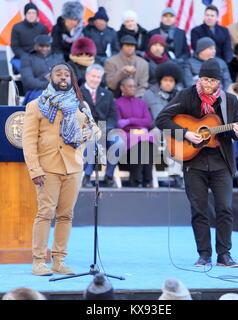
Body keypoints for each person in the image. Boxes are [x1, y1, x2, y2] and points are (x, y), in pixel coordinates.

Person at [156, 59, 238, 267]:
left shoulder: (229, 101)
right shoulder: (187, 95)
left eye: (212, 80)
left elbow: (235, 131)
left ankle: (224, 254)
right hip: (193, 161)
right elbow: (161, 119)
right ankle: (204, 254)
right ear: (199, 78)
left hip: (221, 161)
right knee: (199, 209)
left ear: (218, 82)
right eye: (205, 79)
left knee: (225, 208)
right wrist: (186, 133)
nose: (207, 84)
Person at [22, 62, 101, 276]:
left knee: (66, 215)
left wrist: (90, 133)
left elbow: (95, 129)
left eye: (67, 74)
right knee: (45, 213)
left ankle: (59, 261)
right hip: (47, 168)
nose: (63, 77)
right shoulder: (36, 106)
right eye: (59, 74)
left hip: (73, 167)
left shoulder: (80, 104)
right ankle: (39, 262)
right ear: (51, 78)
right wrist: (34, 169)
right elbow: (28, 142)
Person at [80, 64, 125, 188]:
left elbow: (113, 116)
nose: (95, 79)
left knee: (119, 142)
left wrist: (106, 128)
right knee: (91, 140)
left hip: (105, 129)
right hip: (85, 130)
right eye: (93, 76)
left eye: (98, 77)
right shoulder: (78, 93)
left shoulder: (107, 94)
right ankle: (87, 176)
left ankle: (109, 176)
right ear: (87, 76)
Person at [143, 61, 184, 188]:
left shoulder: (180, 96)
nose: (168, 83)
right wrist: (151, 125)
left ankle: (176, 175)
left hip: (173, 128)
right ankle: (148, 175)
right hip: (155, 127)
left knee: (176, 136)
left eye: (171, 81)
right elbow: (144, 114)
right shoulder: (149, 94)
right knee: (153, 135)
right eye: (165, 80)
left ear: (175, 83)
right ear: (160, 80)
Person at [116, 77, 156, 188]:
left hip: (141, 134)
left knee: (148, 141)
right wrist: (136, 125)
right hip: (126, 136)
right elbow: (119, 123)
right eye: (130, 86)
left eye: (134, 86)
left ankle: (148, 179)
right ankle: (136, 179)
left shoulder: (142, 103)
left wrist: (129, 120)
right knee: (139, 143)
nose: (133, 88)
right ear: (122, 88)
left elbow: (148, 121)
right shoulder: (117, 103)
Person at [20, 35, 64, 105]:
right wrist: (49, 84)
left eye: (47, 46)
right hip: (36, 92)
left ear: (50, 46)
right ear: (35, 46)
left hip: (58, 92)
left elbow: (65, 77)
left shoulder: (57, 57)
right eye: (41, 46)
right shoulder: (27, 58)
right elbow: (28, 81)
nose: (44, 49)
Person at [10, 3, 48, 73]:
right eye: (29, 13)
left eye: (34, 13)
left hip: (39, 58)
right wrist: (26, 57)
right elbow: (15, 47)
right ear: (25, 14)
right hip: (22, 58)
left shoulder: (42, 28)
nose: (31, 15)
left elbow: (46, 45)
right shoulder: (17, 27)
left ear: (37, 15)